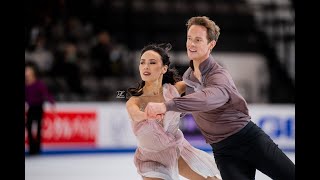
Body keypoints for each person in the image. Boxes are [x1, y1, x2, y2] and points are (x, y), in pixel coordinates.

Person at [145, 16, 295, 180]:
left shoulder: (218, 74)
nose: (191, 44)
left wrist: (167, 106)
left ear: (211, 44)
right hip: (223, 151)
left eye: (198, 39)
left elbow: (208, 99)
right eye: (189, 38)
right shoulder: (188, 76)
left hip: (249, 140)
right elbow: (191, 105)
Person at [126, 43, 221, 180]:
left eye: (152, 62)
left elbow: (198, 76)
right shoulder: (136, 100)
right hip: (150, 160)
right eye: (142, 62)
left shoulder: (172, 91)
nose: (146, 66)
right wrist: (145, 115)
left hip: (177, 150)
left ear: (164, 68)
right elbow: (134, 113)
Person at [25, 62, 55, 155]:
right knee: (29, 128)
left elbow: (46, 94)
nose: (26, 72)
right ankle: (31, 148)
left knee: (38, 128)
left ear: (33, 72)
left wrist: (52, 103)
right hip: (30, 108)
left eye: (28, 70)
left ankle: (37, 148)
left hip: (38, 108)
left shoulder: (39, 84)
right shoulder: (26, 85)